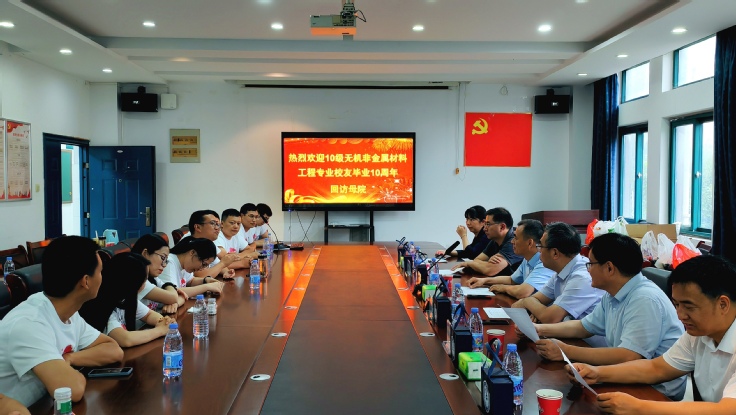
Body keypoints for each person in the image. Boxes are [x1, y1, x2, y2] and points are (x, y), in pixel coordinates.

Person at [569, 255, 736, 414]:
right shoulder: (698, 334)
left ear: (723, 304)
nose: (680, 315)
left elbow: (728, 410)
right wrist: (597, 373)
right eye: (677, 305)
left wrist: (639, 407)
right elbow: (657, 368)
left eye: (689, 307)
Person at [533, 233, 685, 400]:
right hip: (624, 376)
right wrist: (539, 329)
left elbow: (628, 355)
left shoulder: (644, 299)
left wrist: (565, 351)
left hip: (654, 392)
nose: (588, 270)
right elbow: (584, 327)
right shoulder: (613, 293)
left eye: (590, 264)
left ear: (609, 268)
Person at [0, 236, 123, 406]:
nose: (103, 278)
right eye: (100, 272)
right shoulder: (29, 324)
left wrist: (71, 358)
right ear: (86, 281)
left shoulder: (68, 312)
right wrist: (72, 372)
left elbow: (114, 350)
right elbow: (72, 390)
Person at [511, 222, 603, 323]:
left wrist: (527, 301)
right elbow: (536, 299)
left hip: (581, 333)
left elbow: (549, 318)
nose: (539, 251)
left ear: (555, 253)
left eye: (541, 246)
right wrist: (535, 309)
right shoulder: (561, 270)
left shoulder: (582, 277)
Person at [79, 253, 175, 348]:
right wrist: (160, 330)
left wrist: (163, 322)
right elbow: (125, 339)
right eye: (144, 280)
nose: (146, 284)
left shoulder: (126, 298)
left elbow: (148, 315)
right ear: (132, 282)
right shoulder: (102, 305)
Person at [468, 219, 555, 298]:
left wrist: (503, 288)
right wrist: (484, 280)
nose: (512, 241)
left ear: (529, 243)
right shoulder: (527, 258)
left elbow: (523, 292)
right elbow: (511, 280)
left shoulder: (544, 263)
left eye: (516, 238)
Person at [451, 207, 522, 276]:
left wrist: (468, 263)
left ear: (502, 227)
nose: (484, 228)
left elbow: (489, 270)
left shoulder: (514, 241)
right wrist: (487, 263)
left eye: (488, 224)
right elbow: (477, 260)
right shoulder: (495, 240)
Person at [156, 236, 224, 304]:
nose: (202, 269)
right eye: (203, 264)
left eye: (206, 266)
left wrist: (206, 280)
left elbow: (190, 281)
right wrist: (207, 287)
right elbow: (173, 292)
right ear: (192, 252)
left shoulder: (186, 264)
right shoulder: (169, 263)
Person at [131, 233, 181, 314]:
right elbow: (173, 297)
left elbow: (176, 297)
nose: (164, 265)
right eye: (163, 258)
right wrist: (171, 289)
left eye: (166, 260)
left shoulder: (152, 277)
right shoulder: (136, 279)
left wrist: (174, 302)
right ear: (145, 254)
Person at [188, 210, 239, 279]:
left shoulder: (207, 243)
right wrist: (223, 264)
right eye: (212, 223)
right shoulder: (190, 244)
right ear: (198, 227)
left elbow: (216, 263)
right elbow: (202, 276)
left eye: (218, 225)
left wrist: (226, 272)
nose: (217, 228)